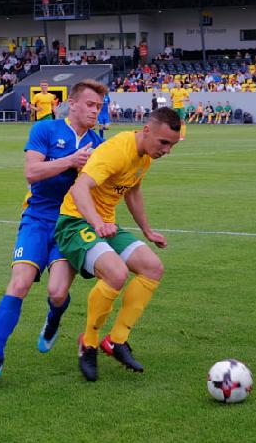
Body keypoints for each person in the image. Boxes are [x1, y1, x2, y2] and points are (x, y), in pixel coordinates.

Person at [0, 79, 108, 380]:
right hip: (37, 218)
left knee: (57, 292)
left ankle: (53, 319)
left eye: (99, 107)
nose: (95, 111)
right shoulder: (45, 129)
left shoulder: (99, 145)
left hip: (69, 224)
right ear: (72, 104)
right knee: (19, 284)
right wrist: (70, 161)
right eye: (90, 104)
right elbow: (32, 172)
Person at [54, 107, 182, 382]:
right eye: (163, 143)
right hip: (74, 223)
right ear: (146, 130)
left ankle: (116, 340)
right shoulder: (116, 151)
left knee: (152, 267)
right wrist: (98, 223)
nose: (167, 150)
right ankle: (88, 343)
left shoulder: (144, 157)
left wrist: (147, 230)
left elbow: (132, 191)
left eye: (172, 145)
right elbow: (79, 188)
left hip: (104, 225)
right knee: (116, 273)